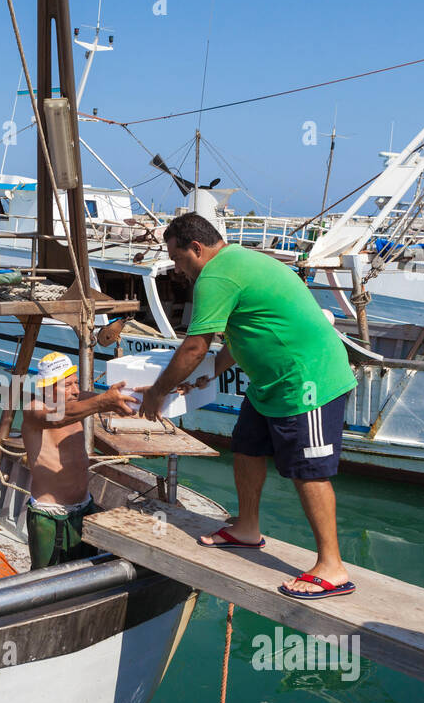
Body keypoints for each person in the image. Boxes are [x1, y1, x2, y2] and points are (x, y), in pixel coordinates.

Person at [137, 212, 358, 599]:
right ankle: (247, 528)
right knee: (247, 446)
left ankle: (332, 566)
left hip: (308, 380)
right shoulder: (238, 260)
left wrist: (157, 392)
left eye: (177, 258)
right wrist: (214, 372)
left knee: (308, 471)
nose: (177, 268)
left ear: (196, 248)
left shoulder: (216, 276)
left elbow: (194, 346)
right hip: (270, 382)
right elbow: (245, 328)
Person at [20, 351, 137, 569]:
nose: (76, 390)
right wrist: (102, 402)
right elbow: (56, 419)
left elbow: (110, 401)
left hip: (84, 508)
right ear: (47, 388)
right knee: (46, 580)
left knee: (86, 570)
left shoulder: (77, 400)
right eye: (68, 385)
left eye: (76, 383)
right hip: (50, 516)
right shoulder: (33, 409)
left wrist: (138, 398)